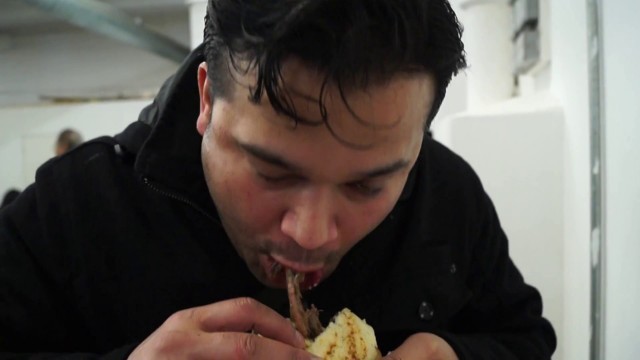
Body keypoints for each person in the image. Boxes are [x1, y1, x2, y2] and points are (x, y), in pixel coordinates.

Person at [0, 0, 556, 359]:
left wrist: (454, 355)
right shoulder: (69, 209)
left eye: (367, 186)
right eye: (271, 171)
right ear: (207, 98)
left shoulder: (450, 199)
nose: (311, 235)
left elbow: (526, 339)